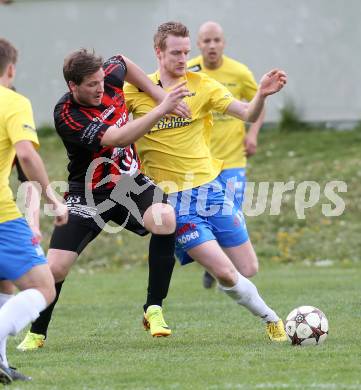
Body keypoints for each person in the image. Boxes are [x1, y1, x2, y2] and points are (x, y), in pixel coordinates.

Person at [17, 49, 191, 351]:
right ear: (73, 86)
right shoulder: (67, 114)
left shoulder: (108, 76)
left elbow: (122, 61)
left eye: (101, 81)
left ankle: (154, 309)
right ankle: (37, 333)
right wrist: (162, 107)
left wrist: (154, 91)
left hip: (128, 181)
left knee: (164, 217)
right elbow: (117, 138)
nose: (101, 88)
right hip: (88, 191)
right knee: (55, 268)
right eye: (91, 85)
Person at [124, 21, 288, 341]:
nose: (183, 58)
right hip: (172, 200)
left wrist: (262, 96)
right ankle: (272, 320)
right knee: (225, 271)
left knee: (248, 267)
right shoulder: (137, 91)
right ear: (158, 52)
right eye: (175, 53)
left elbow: (246, 113)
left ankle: (207, 261)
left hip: (210, 190)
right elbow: (114, 67)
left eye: (187, 52)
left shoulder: (204, 85)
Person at [0, 37, 68, 384]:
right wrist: (53, 200)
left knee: (5, 285)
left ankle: (0, 363)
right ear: (10, 69)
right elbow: (25, 155)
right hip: (0, 215)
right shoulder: (12, 101)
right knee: (43, 288)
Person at [187, 21, 264, 289]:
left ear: (224, 43)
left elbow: (258, 104)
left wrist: (252, 135)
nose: (211, 45)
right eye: (206, 41)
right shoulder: (189, 71)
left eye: (216, 40)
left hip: (232, 160)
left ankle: (225, 270)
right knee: (202, 215)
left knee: (230, 214)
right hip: (200, 163)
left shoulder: (240, 72)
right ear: (198, 44)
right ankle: (216, 264)